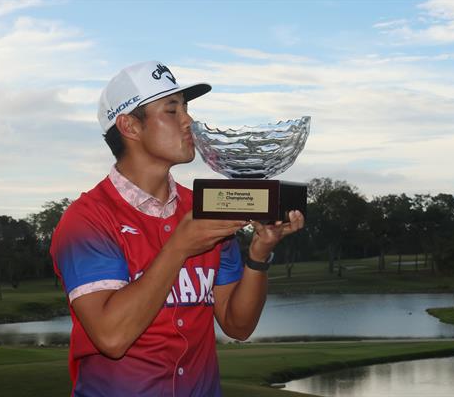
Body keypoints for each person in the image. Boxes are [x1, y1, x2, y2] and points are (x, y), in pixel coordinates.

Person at [50, 60, 304, 397]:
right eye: (172, 111)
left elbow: (237, 325)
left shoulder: (204, 209)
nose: (189, 121)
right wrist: (178, 247)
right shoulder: (87, 221)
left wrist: (259, 255)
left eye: (186, 109)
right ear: (130, 126)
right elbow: (112, 338)